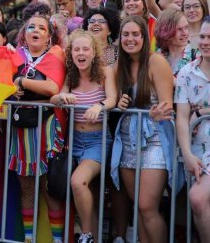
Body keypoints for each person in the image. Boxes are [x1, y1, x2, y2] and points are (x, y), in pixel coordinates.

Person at [111, 15, 179, 243]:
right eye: (125, 35)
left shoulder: (156, 61)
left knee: (147, 206)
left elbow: (167, 104)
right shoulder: (121, 65)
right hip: (127, 140)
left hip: (155, 140)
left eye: (135, 34)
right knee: (138, 207)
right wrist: (121, 103)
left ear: (144, 36)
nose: (130, 39)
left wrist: (154, 112)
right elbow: (119, 99)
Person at [50, 29, 116, 243]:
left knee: (78, 182)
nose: (81, 53)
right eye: (76, 49)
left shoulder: (105, 72)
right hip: (74, 141)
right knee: (90, 196)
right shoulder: (71, 75)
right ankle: (94, 238)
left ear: (94, 52)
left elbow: (113, 99)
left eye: (85, 49)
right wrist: (62, 96)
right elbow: (54, 99)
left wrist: (99, 106)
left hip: (97, 141)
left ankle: (85, 235)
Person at [10, 13, 67, 242]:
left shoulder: (55, 57)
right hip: (20, 129)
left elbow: (53, 87)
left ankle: (57, 240)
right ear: (24, 35)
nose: (35, 30)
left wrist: (21, 81)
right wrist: (10, 87)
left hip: (46, 129)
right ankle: (28, 239)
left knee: (49, 188)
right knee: (26, 188)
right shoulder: (14, 57)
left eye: (41, 28)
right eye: (31, 27)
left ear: (48, 37)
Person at [175, 17, 210, 243]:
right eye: (203, 37)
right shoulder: (187, 72)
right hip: (198, 150)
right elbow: (182, 116)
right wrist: (186, 153)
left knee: (198, 198)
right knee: (200, 202)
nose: (206, 42)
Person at [154, 8, 198, 79]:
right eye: (179, 29)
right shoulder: (157, 56)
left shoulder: (197, 57)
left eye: (186, 27)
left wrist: (174, 82)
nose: (185, 33)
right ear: (166, 31)